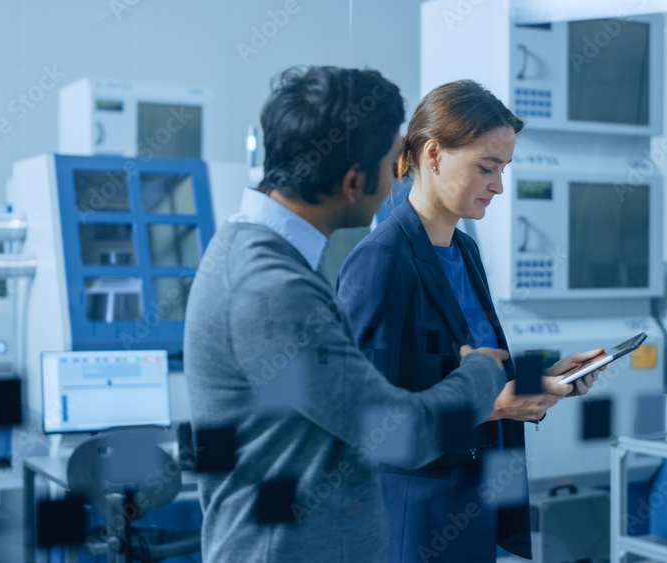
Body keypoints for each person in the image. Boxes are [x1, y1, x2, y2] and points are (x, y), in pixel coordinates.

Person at [183, 67, 514, 563]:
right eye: (393, 161)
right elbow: (397, 431)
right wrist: (483, 372)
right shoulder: (271, 286)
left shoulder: (264, 256)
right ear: (354, 182)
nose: (398, 176)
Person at [337, 79, 604, 562]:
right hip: (412, 523)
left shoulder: (464, 252)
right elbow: (367, 423)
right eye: (487, 167)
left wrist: (538, 383)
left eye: (503, 169)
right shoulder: (380, 262)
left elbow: (467, 371)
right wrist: (497, 407)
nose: (499, 185)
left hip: (476, 513)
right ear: (434, 154)